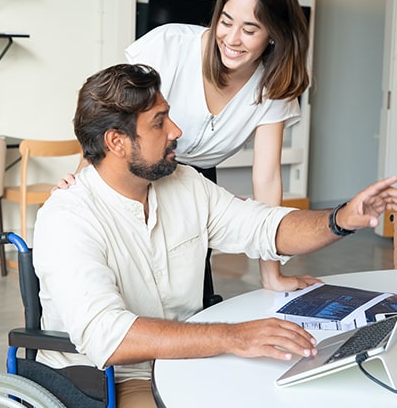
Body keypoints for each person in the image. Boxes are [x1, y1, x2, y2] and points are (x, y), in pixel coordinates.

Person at [34, 63, 397, 408]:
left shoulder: (185, 184)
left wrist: (342, 218)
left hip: (191, 358)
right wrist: (233, 336)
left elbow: (265, 227)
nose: (176, 131)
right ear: (117, 141)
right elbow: (108, 335)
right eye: (159, 122)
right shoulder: (68, 218)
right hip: (117, 378)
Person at [61, 0, 317, 294]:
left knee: (191, 291)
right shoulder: (171, 45)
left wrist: (271, 274)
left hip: (197, 186)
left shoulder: (272, 86)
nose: (232, 39)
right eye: (226, 21)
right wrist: (82, 179)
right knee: (120, 280)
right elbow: (110, 114)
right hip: (134, 172)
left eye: (250, 30)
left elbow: (266, 180)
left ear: (274, 34)